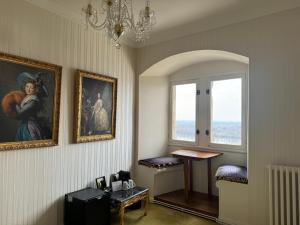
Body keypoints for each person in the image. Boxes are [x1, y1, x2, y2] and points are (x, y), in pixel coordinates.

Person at [14, 72, 48, 141]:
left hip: (30, 126)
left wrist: (15, 105)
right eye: (27, 86)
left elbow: (20, 113)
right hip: (24, 125)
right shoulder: (27, 97)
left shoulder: (33, 101)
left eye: (31, 88)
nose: (28, 89)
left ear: (36, 90)